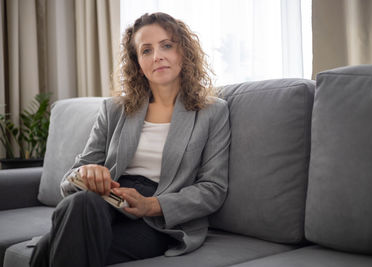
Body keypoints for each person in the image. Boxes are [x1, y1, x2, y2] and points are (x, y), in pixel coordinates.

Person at [30, 12, 230, 267]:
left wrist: (151, 205)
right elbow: (70, 180)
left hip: (160, 217)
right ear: (137, 61)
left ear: (183, 51)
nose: (157, 56)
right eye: (146, 50)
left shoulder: (213, 111)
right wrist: (87, 172)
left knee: (51, 248)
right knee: (81, 202)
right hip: (106, 200)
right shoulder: (115, 109)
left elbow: (213, 189)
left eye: (166, 45)